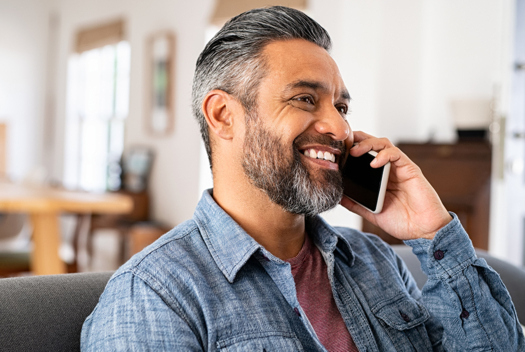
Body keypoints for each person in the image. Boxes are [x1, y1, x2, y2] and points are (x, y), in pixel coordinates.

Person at [81, 6, 524, 351]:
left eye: (342, 107)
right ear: (223, 116)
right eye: (305, 99)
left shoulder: (375, 262)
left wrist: (433, 232)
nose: (339, 127)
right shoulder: (155, 295)